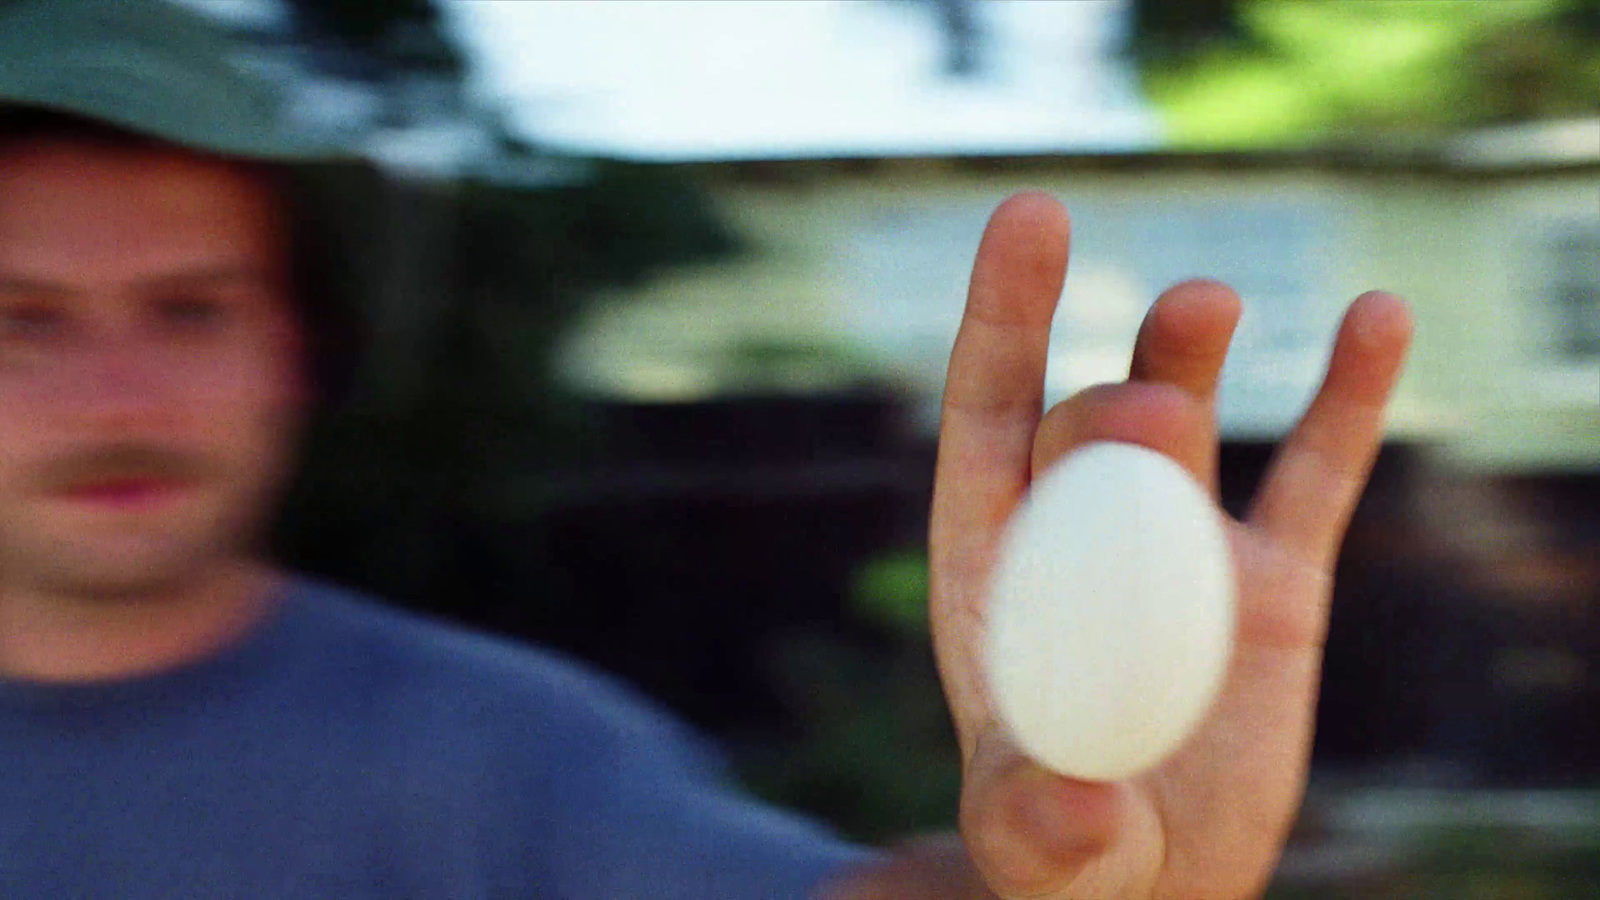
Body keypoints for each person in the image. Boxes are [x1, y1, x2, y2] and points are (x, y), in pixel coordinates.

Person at [0, 2, 1413, 898]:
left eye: (192, 308)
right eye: (25, 320)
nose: (117, 392)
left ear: (295, 347)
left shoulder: (500, 762)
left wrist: (1076, 891)